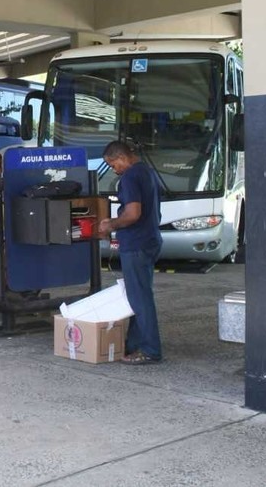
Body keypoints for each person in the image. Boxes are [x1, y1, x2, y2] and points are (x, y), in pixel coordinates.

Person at [98, 139, 163, 365]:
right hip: (151, 239)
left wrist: (111, 224)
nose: (114, 170)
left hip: (136, 243)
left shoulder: (130, 177)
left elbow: (133, 213)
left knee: (140, 298)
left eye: (113, 164)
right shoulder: (147, 172)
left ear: (122, 158)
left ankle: (150, 349)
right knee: (139, 295)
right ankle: (134, 345)